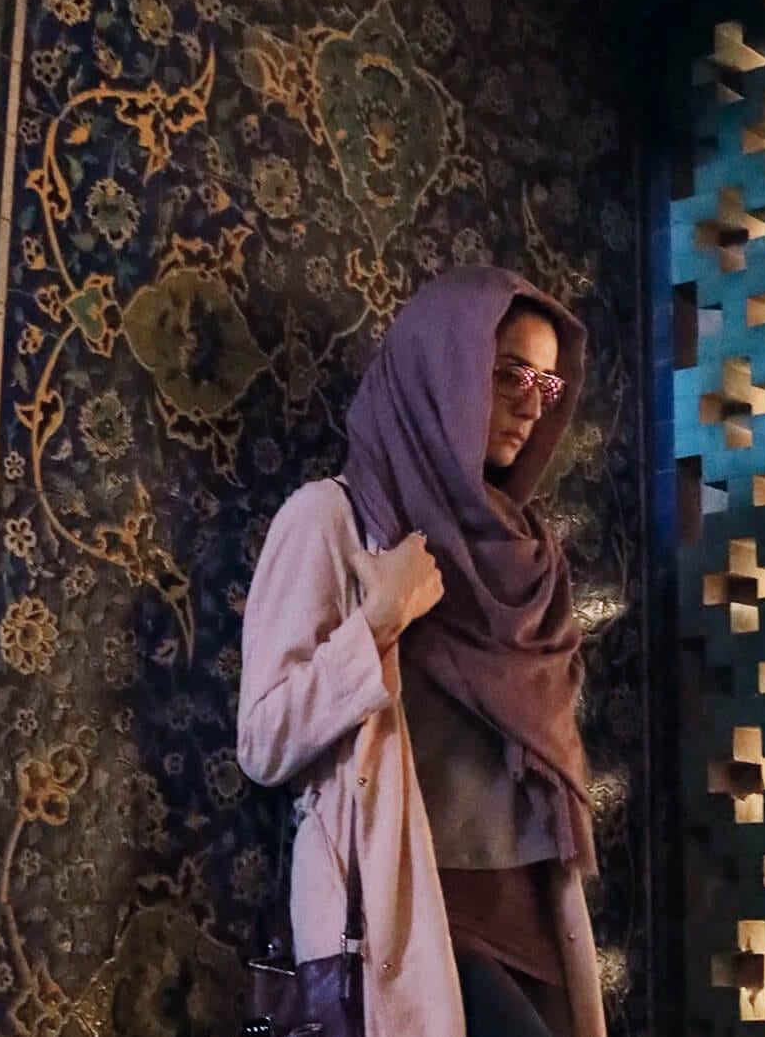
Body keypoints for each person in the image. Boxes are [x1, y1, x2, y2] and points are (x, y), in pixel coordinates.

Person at [237, 265, 604, 1037]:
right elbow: (263, 740)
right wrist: (377, 622)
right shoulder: (334, 521)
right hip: (413, 917)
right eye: (507, 372)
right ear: (444, 365)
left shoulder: (532, 558)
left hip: (533, 910)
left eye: (545, 384)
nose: (529, 405)